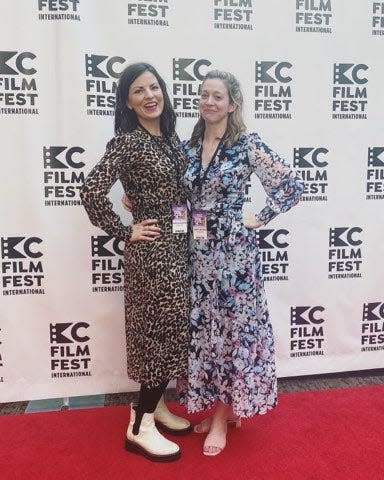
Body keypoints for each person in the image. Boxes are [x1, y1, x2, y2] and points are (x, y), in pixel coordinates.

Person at [176, 69, 304, 456]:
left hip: (234, 259)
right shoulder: (189, 145)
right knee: (207, 334)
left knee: (233, 335)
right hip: (198, 254)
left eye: (218, 96)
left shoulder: (247, 144)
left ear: (233, 104)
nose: (209, 102)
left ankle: (222, 418)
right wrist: (178, 231)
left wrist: (260, 217)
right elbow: (182, 200)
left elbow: (291, 185)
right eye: (203, 95)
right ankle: (222, 409)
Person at [80, 62, 192, 462]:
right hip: (152, 257)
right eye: (139, 90)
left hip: (178, 251)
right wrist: (126, 230)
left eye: (154, 86)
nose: (150, 95)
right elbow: (92, 192)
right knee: (159, 337)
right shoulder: (128, 142)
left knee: (171, 334)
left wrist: (194, 238)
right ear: (127, 102)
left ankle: (156, 405)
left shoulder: (171, 140)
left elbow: (182, 199)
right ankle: (139, 425)